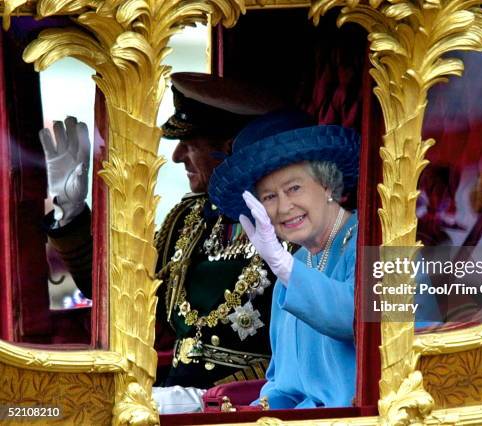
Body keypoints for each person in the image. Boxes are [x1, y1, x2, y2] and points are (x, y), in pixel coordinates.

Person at [40, 73, 284, 412]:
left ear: (230, 148)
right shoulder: (188, 219)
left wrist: (206, 401)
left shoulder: (290, 221)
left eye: (189, 143)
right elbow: (119, 290)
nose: (177, 156)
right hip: (172, 393)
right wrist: (72, 213)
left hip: (251, 402)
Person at [208, 110, 440, 409]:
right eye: (269, 197)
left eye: (294, 188)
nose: (284, 207)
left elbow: (357, 320)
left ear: (328, 185)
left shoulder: (385, 243)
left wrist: (283, 266)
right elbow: (283, 385)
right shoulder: (295, 266)